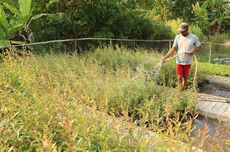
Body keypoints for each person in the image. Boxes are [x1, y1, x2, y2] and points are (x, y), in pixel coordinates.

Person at [161, 22, 201, 90]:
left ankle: (183, 90)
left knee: (185, 78)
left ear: (187, 29)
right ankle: (180, 91)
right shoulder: (178, 37)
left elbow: (199, 46)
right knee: (179, 77)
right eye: (180, 31)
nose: (181, 32)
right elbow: (173, 49)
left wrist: (193, 51)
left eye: (183, 31)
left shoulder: (193, 37)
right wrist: (164, 58)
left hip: (187, 61)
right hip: (179, 61)